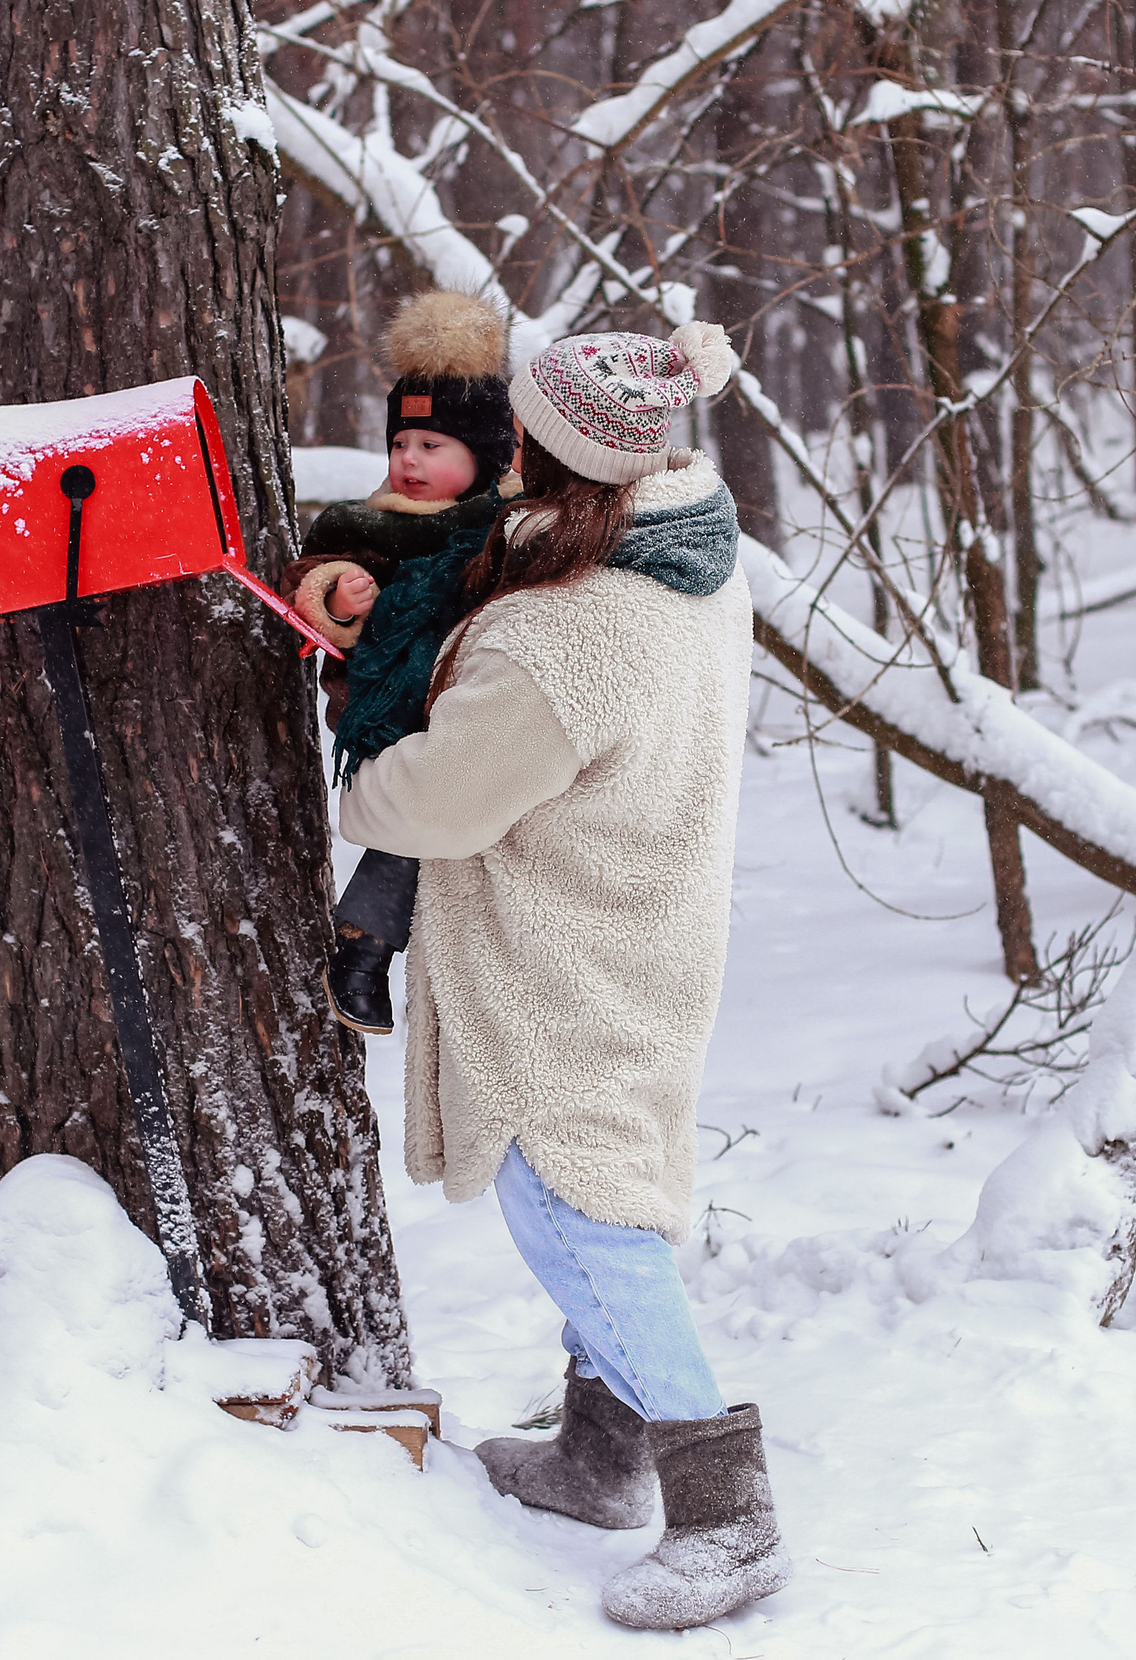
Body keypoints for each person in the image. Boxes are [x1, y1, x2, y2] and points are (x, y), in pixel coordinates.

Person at [337, 323, 787, 1631]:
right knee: (611, 1191)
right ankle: (599, 1454)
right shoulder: (683, 534)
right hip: (638, 909)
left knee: (580, 1214)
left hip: (569, 952)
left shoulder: (573, 636)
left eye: (515, 432)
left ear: (557, 458)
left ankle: (728, 1515)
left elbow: (430, 798)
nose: (495, 447)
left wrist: (366, 735)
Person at [281, 290, 520, 1035]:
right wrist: (342, 600)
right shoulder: (366, 523)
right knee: (424, 812)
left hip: (480, 705)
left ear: (480, 454)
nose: (409, 461)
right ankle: (364, 944)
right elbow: (308, 582)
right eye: (400, 444)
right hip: (388, 711)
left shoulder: (511, 524)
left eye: (431, 446)